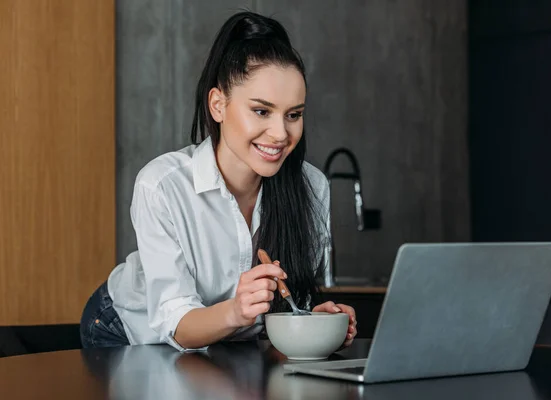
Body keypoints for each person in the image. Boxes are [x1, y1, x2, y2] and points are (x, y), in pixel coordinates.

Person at [80, 11, 357, 351]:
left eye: (293, 115)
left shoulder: (311, 187)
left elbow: (284, 299)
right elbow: (177, 323)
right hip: (129, 331)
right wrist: (236, 311)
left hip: (230, 340)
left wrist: (314, 320)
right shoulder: (162, 186)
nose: (280, 133)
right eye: (261, 111)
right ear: (218, 105)